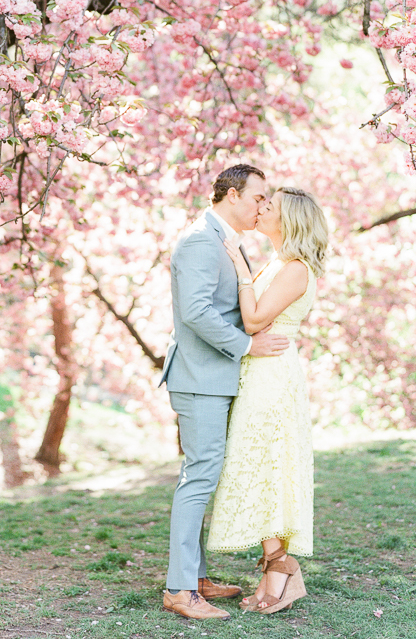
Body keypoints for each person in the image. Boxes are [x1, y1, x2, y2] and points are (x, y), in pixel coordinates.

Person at [159, 164, 292, 622]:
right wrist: (248, 345)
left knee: (202, 477)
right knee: (198, 480)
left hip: (216, 378)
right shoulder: (200, 240)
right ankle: (180, 589)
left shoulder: (225, 241)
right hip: (200, 379)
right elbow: (195, 312)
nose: (263, 206)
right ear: (232, 194)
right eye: (258, 198)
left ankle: (195, 576)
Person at [207, 187, 328, 614]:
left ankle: (282, 567)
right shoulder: (277, 263)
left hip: (273, 378)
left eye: (269, 206)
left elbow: (256, 318)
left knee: (269, 468)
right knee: (260, 466)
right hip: (258, 372)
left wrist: (240, 266)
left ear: (289, 219)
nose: (261, 209)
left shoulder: (296, 268)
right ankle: (275, 568)